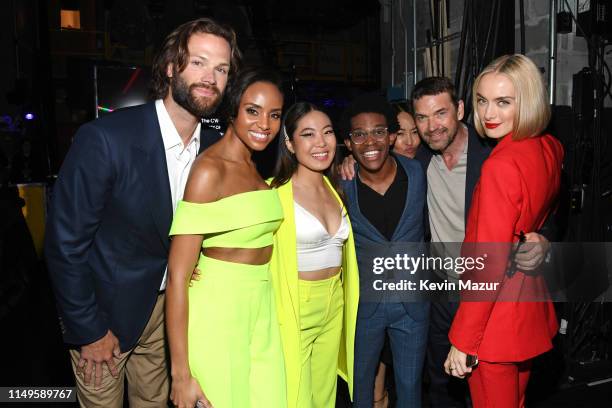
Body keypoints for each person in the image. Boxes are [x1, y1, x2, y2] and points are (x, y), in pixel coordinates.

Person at [44, 17, 239, 407]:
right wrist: (88, 330)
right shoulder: (105, 139)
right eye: (198, 63)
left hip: (171, 315)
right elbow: (64, 244)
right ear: (170, 67)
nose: (210, 78)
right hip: (106, 318)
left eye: (221, 69)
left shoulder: (217, 147)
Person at [445, 54, 563, 408]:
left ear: (526, 102)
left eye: (503, 102)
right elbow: (547, 210)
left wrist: (464, 341)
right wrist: (538, 236)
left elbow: (488, 262)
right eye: (482, 100)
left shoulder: (501, 165)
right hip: (527, 311)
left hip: (494, 322)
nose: (488, 114)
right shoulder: (549, 147)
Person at [166, 67, 286, 408]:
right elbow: (177, 276)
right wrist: (180, 375)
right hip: (218, 311)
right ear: (232, 110)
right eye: (253, 111)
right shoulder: (210, 170)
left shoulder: (256, 167)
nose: (265, 124)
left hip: (261, 306)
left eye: (274, 115)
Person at [339, 94, 429, 408]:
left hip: (413, 306)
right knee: (360, 390)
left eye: (378, 132)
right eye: (359, 135)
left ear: (391, 136)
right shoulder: (340, 183)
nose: (370, 141)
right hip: (364, 308)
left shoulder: (418, 173)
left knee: (410, 389)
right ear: (348, 144)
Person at [269, 102, 360, 407]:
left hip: (334, 301)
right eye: (308, 134)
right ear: (290, 144)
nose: (321, 143)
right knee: (294, 396)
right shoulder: (272, 194)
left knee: (324, 395)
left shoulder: (337, 187)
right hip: (295, 304)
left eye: (328, 132)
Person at [372, 102, 422, 408]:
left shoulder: (423, 166)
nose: (410, 141)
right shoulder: (361, 172)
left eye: (415, 132)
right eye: (401, 133)